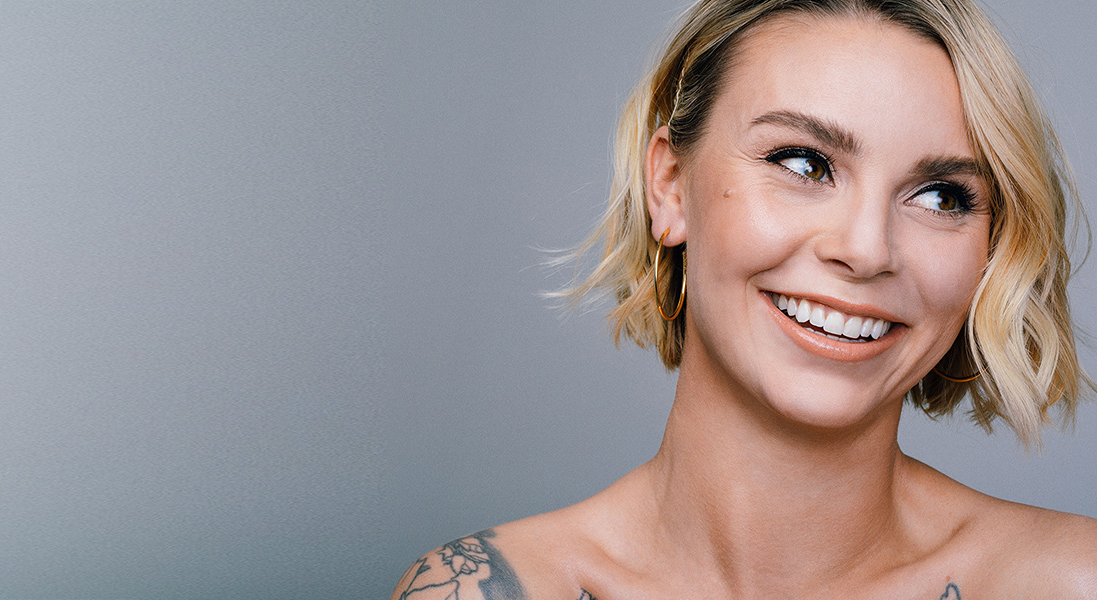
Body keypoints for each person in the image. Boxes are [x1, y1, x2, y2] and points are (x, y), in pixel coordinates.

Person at [389, 0, 1097, 598]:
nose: (867, 249)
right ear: (670, 186)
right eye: (803, 163)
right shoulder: (481, 588)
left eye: (941, 196)